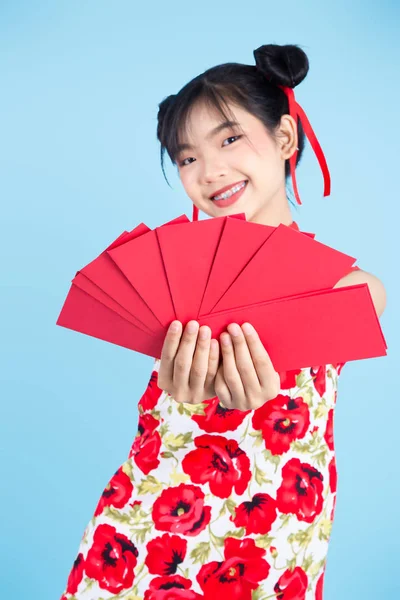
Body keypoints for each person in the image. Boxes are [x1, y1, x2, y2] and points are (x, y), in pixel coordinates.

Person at [59, 44, 386, 600]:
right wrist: (178, 399)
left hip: (274, 535)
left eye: (229, 138)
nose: (209, 171)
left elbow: (362, 304)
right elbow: (162, 424)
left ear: (284, 139)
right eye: (187, 158)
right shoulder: (168, 281)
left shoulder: (347, 292)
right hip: (148, 529)